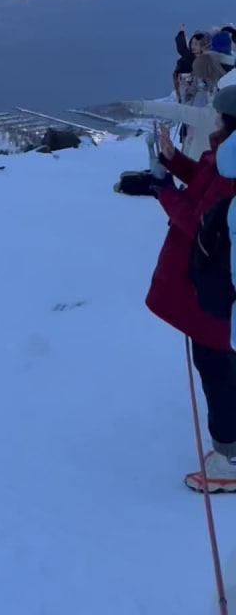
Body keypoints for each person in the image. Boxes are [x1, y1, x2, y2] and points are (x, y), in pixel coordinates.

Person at [145, 86, 236, 491]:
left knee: (215, 367)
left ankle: (229, 459)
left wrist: (161, 189)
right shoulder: (226, 160)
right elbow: (203, 184)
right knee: (219, 362)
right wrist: (173, 160)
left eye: (218, 115)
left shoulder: (230, 173)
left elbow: (201, 226)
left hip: (211, 287)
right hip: (211, 283)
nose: (212, 120)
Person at [173, 27, 211, 100]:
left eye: (197, 44)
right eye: (192, 44)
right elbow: (181, 47)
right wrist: (181, 34)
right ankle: (183, 97)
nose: (193, 46)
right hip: (184, 75)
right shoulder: (188, 54)